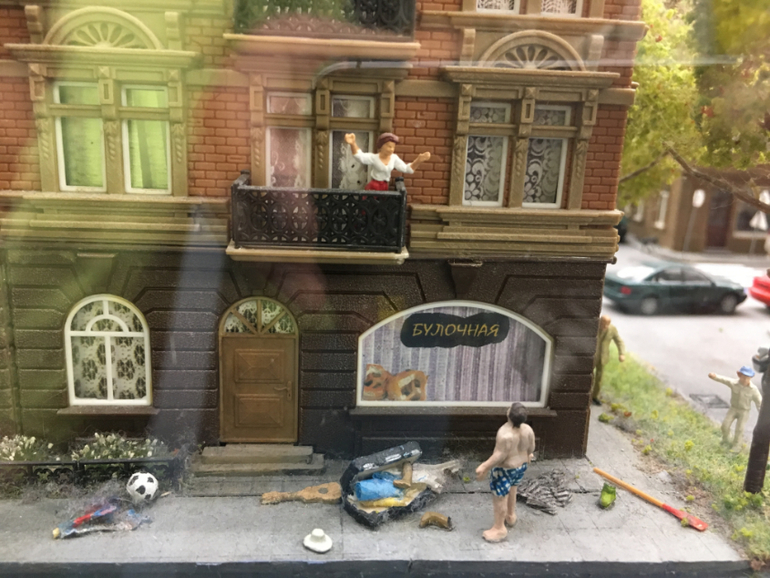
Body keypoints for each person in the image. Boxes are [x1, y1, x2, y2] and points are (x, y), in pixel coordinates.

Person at [475, 402, 535, 543]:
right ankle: (510, 515)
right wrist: (529, 455)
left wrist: (484, 466)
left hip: (505, 470)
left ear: (509, 414)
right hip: (521, 466)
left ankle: (499, 528)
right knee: (513, 489)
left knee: (500, 497)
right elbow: (532, 447)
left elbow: (499, 456)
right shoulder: (528, 429)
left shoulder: (505, 435)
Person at [344, 132, 430, 191]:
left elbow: (407, 169)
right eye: (389, 146)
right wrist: (353, 144)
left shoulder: (394, 158)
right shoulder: (374, 158)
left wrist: (418, 160)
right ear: (382, 146)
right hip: (373, 187)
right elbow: (360, 157)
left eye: (393, 147)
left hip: (384, 187)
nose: (391, 149)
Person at [708, 366, 763, 450]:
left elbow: (759, 402)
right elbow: (724, 380)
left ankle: (737, 446)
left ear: (750, 378)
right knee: (725, 425)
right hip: (733, 409)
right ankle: (726, 439)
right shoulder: (734, 383)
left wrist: (763, 415)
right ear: (739, 375)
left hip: (744, 411)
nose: (745, 380)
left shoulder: (753, 390)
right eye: (743, 377)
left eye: (747, 378)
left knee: (739, 429)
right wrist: (715, 376)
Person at [592, 315, 626, 405]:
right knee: (589, 376)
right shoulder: (594, 327)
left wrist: (622, 353)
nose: (604, 326)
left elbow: (619, 341)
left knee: (599, 378)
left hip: (603, 357)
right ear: (599, 322)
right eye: (602, 324)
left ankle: (595, 396)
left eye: (606, 324)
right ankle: (585, 394)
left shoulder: (612, 330)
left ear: (609, 324)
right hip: (592, 356)